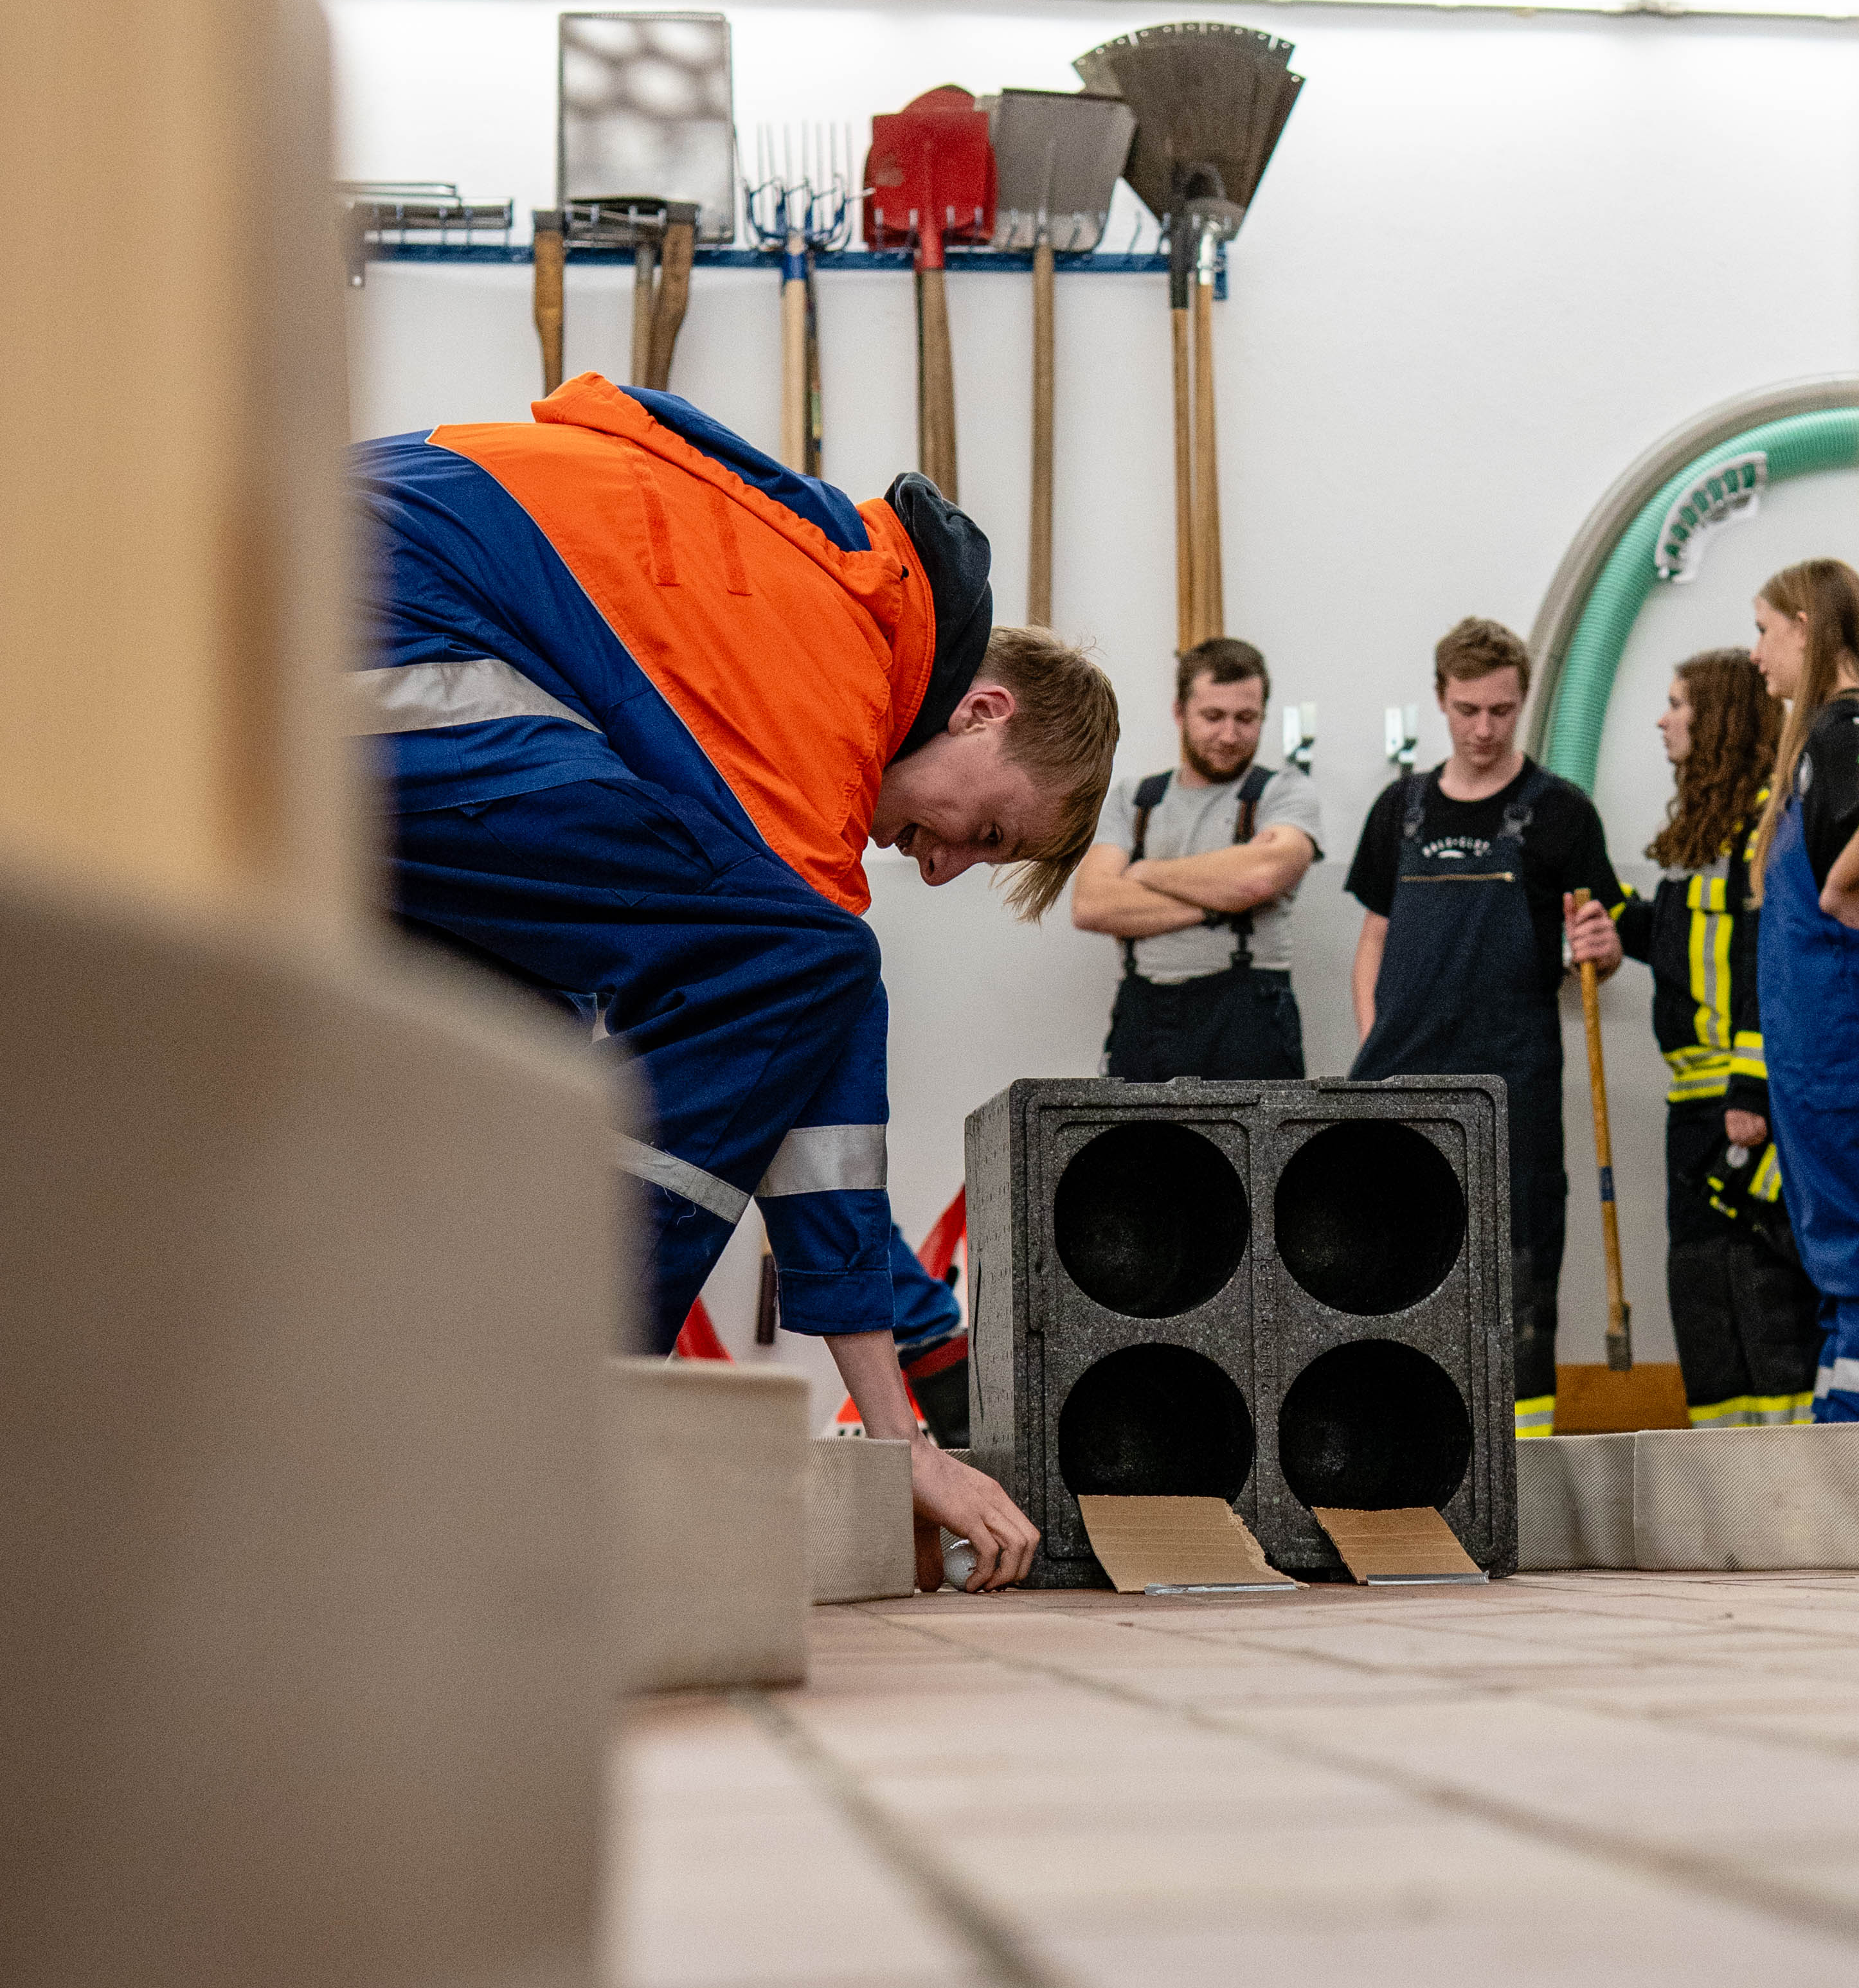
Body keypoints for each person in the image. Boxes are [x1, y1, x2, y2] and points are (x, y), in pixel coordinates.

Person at [355, 368, 1118, 1588]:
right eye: (988, 834)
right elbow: (813, 1019)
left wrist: (898, 1436)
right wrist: (906, 1438)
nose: (941, 868)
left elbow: (797, 1076)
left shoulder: (814, 589)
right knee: (803, 959)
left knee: (536, 1026)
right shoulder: (835, 656)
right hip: (380, 641)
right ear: (981, 711)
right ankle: (565, 1395)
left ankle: (397, 1421)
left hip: (332, 628)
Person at [1346, 616, 1626, 1439]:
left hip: (1515, 1089)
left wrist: (1605, 951)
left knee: (1518, 1271)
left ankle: (1522, 1455)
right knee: (1395, 1266)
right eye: (1467, 710)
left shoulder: (1562, 815)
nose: (1483, 729)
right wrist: (1372, 1051)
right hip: (1399, 1086)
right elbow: (1374, 941)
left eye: (1501, 711)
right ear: (1441, 699)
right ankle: (1404, 1445)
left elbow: (1597, 949)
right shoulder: (1400, 810)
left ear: (1522, 701)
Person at [1565, 649, 1826, 1425]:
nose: (1662, 720)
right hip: (1695, 1103)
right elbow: (1685, 941)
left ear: (1717, 720)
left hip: (1744, 1107)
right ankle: (1723, 1470)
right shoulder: (1704, 836)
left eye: (1677, 704)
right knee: (1704, 1291)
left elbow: (1764, 963)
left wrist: (1751, 1090)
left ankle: (1786, 1467)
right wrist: (1616, 921)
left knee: (1760, 1291)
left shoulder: (1767, 827)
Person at [1747, 557, 1859, 1422]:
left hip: (1848, 1051)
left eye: (1763, 630)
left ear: (1804, 628)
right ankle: (1835, 1446)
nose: (1756, 654)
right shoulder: (1822, 740)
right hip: (1817, 1057)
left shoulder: (1853, 722)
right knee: (1842, 1262)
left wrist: (1842, 884)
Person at [1070, 637, 1324, 1079]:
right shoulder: (1135, 799)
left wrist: (1144, 871)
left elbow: (1260, 878)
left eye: (1246, 718)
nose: (1229, 735)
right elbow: (1092, 905)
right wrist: (1224, 900)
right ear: (1179, 712)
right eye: (1213, 716)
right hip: (1142, 1018)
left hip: (1250, 1020)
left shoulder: (1284, 792)